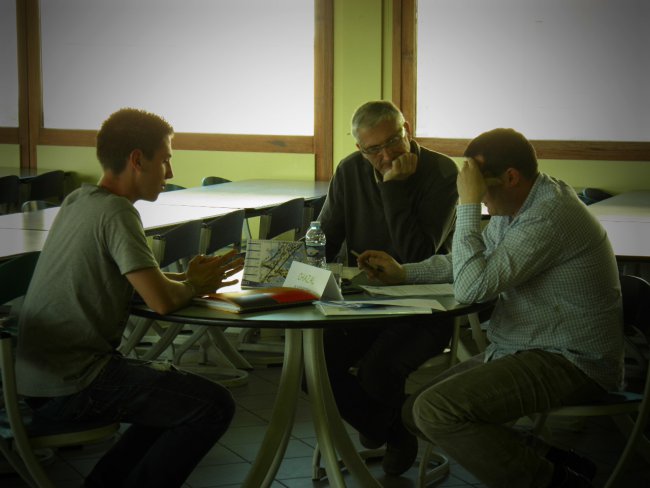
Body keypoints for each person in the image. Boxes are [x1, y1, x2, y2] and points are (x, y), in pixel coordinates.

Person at [357, 128, 624, 488]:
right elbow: (471, 263)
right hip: (523, 346)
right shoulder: (517, 205)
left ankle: (556, 482)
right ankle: (551, 460)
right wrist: (405, 273)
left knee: (436, 411)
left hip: (572, 360)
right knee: (414, 413)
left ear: (511, 178)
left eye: (481, 187)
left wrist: (466, 205)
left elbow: (471, 288)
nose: (480, 197)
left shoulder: (548, 215)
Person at [16, 108, 244, 488]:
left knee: (175, 403)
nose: (170, 172)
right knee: (213, 406)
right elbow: (161, 301)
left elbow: (140, 280)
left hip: (36, 378)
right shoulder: (118, 212)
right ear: (138, 160)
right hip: (74, 383)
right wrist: (194, 285)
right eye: (166, 159)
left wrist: (188, 279)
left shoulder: (79, 199)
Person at [317, 100, 459, 475]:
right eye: (373, 149)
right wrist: (296, 269)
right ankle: (391, 427)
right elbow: (325, 237)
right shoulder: (350, 169)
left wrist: (393, 188)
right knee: (311, 363)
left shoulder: (442, 172)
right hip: (365, 301)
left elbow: (418, 254)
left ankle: (379, 423)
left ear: (406, 129)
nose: (386, 156)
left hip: (427, 306)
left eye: (393, 141)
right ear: (359, 148)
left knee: (378, 370)